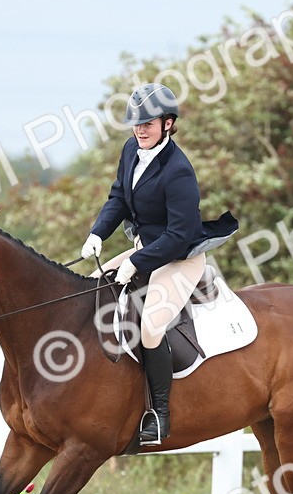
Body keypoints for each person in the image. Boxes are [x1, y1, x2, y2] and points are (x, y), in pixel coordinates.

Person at [81, 83, 238, 445]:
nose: (140, 130)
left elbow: (179, 236)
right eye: (136, 123)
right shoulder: (131, 150)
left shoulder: (178, 170)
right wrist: (98, 234)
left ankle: (160, 415)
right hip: (146, 248)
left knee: (151, 325)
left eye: (148, 123)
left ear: (168, 123)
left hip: (180, 257)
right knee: (92, 286)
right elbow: (119, 197)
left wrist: (136, 261)